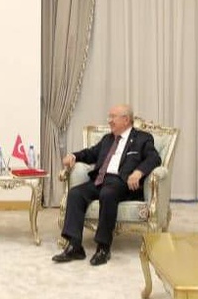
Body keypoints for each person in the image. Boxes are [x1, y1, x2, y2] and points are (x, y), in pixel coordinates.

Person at [53, 104, 161, 266]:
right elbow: (90, 153)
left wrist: (138, 172)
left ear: (126, 120)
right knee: (75, 193)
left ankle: (103, 248)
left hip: (121, 182)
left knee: (108, 193)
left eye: (113, 117)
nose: (109, 120)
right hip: (100, 180)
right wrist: (73, 156)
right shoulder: (107, 139)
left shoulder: (142, 138)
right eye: (109, 117)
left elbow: (154, 158)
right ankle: (75, 246)